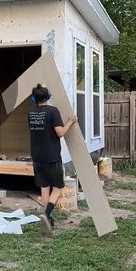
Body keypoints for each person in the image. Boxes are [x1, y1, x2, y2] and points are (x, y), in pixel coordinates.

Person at [28, 83, 77, 236]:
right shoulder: (53, 111)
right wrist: (71, 120)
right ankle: (47, 215)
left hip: (37, 157)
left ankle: (46, 216)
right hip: (52, 157)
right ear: (48, 97)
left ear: (34, 99)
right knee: (56, 189)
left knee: (44, 188)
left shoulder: (31, 113)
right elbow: (60, 132)